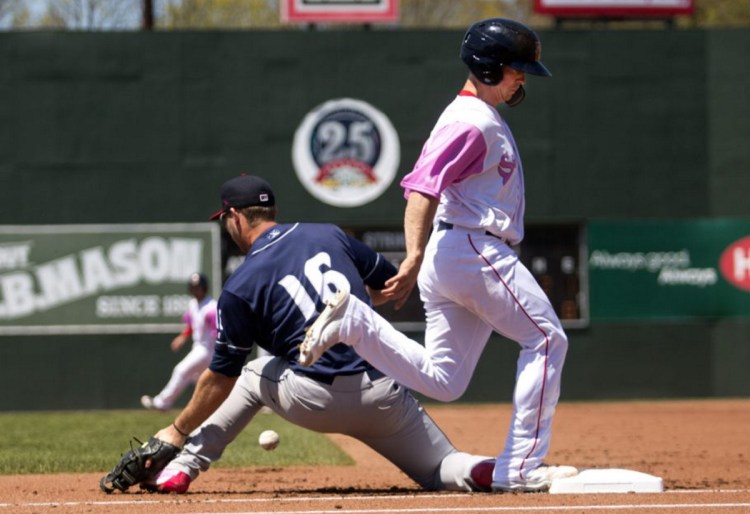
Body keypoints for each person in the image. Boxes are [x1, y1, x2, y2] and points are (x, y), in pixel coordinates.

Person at [299, 18, 576, 492]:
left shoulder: (477, 117)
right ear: (490, 68)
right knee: (547, 339)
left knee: (446, 380)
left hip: (460, 251)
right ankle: (521, 467)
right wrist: (411, 256)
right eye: (516, 69)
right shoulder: (471, 122)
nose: (522, 77)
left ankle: (354, 325)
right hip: (473, 247)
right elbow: (423, 189)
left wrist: (421, 259)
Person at [142, 174, 495, 494]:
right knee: (441, 467)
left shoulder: (239, 284)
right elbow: (390, 285)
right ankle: (487, 469)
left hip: (312, 398)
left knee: (248, 375)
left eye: (225, 220)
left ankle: (180, 469)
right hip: (380, 395)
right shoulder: (329, 233)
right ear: (271, 210)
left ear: (233, 216)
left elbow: (221, 375)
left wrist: (176, 430)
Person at [141, 273, 218, 411]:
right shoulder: (193, 304)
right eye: (193, 287)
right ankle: (208, 409)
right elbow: (191, 324)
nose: (196, 290)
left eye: (198, 287)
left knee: (181, 370)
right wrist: (182, 337)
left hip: (207, 349)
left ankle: (162, 403)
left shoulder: (211, 307)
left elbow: (217, 331)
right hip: (198, 347)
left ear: (204, 287)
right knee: (202, 382)